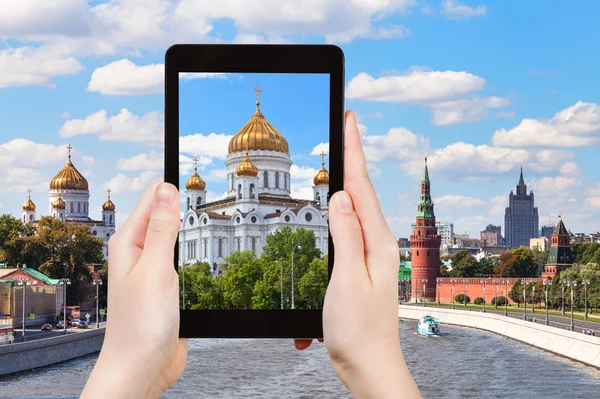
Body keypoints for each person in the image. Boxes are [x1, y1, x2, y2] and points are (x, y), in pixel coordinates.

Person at [80, 111, 421, 399]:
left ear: (279, 174)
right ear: (241, 180)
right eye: (248, 181)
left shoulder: (307, 213)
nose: (252, 184)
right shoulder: (220, 214)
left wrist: (129, 376)